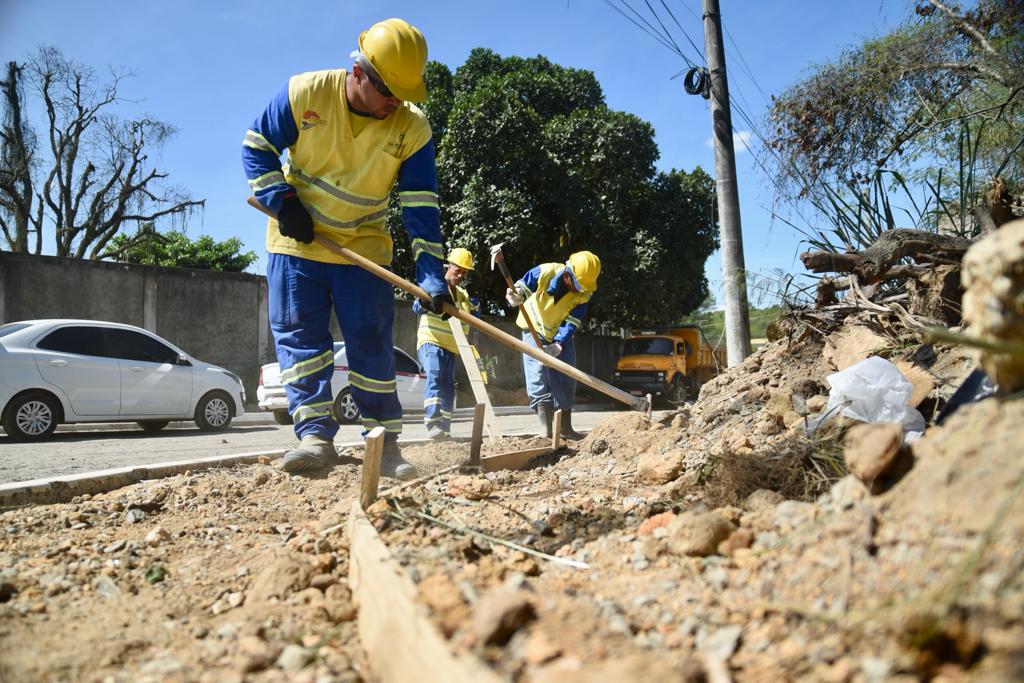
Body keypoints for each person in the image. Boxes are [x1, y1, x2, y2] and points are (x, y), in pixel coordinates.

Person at [242, 18, 452, 479]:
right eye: (389, 92)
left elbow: (420, 206)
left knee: (371, 344)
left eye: (403, 94)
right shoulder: (304, 94)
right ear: (359, 72)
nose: (396, 103)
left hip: (364, 247)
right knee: (301, 341)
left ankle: (385, 444)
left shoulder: (412, 128)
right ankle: (315, 437)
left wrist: (432, 273)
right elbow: (256, 147)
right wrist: (283, 201)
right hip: (297, 243)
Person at [506, 251, 601, 440]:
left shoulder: (584, 294)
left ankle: (565, 427)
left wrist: (559, 345)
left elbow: (571, 323)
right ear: (568, 274)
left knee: (567, 374)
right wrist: (514, 295)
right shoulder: (545, 271)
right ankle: (546, 429)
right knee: (537, 376)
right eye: (578, 285)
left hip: (558, 335)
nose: (581, 290)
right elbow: (522, 287)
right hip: (532, 328)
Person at [412, 247, 480, 441]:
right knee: (434, 375)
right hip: (431, 341)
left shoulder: (463, 296)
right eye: (457, 270)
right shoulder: (434, 286)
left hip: (452, 348)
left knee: (448, 387)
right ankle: (433, 422)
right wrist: (427, 303)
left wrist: (474, 298)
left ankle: (445, 430)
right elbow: (416, 307)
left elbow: (475, 317)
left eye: (464, 273)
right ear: (448, 266)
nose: (460, 275)